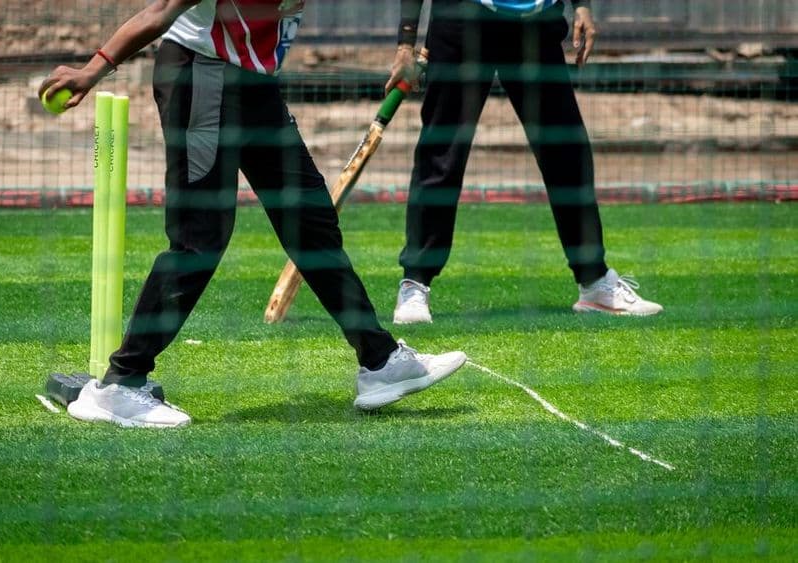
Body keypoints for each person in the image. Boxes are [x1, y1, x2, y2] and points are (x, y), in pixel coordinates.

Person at [39, 0, 466, 428]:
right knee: (199, 239)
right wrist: (93, 69)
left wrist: (405, 47)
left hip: (255, 87)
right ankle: (120, 384)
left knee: (311, 221)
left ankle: (380, 361)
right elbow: (160, 12)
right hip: (201, 75)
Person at [386, 0, 663, 324]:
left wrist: (582, 6)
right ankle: (415, 285)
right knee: (441, 157)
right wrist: (405, 43)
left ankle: (594, 282)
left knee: (568, 154)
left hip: (535, 23)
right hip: (462, 20)